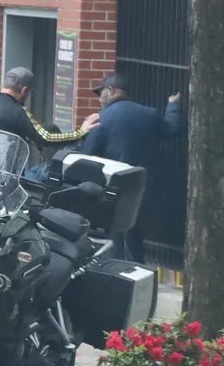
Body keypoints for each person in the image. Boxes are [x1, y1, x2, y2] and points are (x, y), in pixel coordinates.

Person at [76, 73, 180, 262]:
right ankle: (136, 271)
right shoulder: (148, 114)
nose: (99, 99)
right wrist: (172, 105)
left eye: (101, 93)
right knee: (135, 237)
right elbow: (171, 128)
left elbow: (88, 155)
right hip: (143, 187)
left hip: (113, 189)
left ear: (111, 90)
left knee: (115, 235)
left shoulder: (100, 119)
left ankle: (118, 274)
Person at [0, 65, 81, 152]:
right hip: (6, 173)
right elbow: (46, 137)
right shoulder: (18, 111)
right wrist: (79, 133)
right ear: (24, 90)